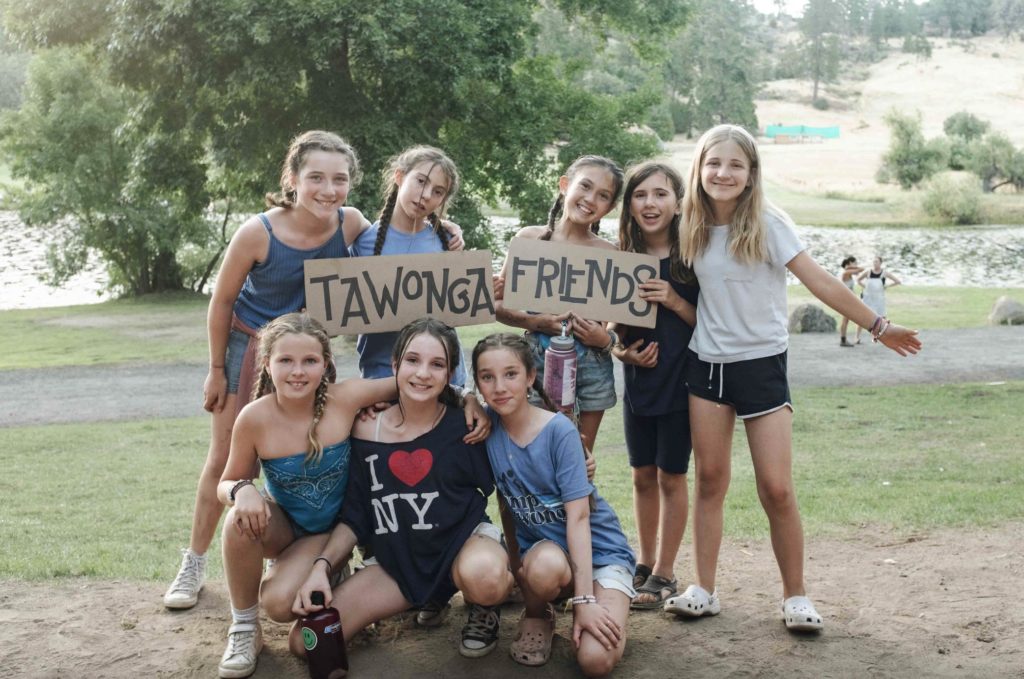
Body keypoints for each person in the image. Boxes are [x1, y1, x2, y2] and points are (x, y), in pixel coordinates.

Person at [164, 131, 467, 610]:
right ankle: (194, 561)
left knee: (319, 446)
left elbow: (403, 239)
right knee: (225, 456)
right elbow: (221, 302)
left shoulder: (351, 224)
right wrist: (216, 368)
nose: (328, 189)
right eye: (316, 178)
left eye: (339, 179)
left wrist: (446, 227)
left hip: (306, 355)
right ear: (292, 179)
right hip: (251, 344)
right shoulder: (258, 232)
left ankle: (318, 552)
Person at [669, 124, 922, 633]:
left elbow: (821, 280)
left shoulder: (768, 221)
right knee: (710, 481)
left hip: (761, 366)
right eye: (714, 163)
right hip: (707, 366)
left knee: (777, 488)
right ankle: (704, 590)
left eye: (735, 164)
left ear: (751, 173)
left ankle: (796, 596)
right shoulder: (689, 222)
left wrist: (878, 326)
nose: (723, 173)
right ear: (698, 168)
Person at [290, 318, 510, 666]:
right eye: (412, 360)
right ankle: (431, 598)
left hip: (460, 550)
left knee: (485, 576)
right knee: (307, 643)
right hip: (398, 564)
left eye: (436, 364)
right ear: (395, 365)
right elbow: (355, 516)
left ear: (450, 373)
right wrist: (322, 566)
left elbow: (515, 478)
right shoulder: (364, 430)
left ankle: (486, 603)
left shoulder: (467, 426)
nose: (423, 373)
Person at [472, 333, 635, 676]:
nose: (499, 387)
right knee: (544, 566)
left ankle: (595, 599)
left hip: (601, 552)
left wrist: (585, 600)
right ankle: (540, 613)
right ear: (478, 383)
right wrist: (465, 400)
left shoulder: (559, 431)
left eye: (511, 374)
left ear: (531, 376)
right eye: (487, 377)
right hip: (548, 558)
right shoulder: (487, 427)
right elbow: (508, 502)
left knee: (595, 661)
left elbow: (579, 518)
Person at [609, 162, 699, 610]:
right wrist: (622, 353)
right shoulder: (621, 260)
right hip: (639, 382)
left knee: (671, 475)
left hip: (682, 382)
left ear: (678, 203)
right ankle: (643, 562)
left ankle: (665, 570)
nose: (650, 203)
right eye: (640, 195)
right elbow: (612, 330)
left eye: (660, 194)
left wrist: (674, 299)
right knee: (641, 473)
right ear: (629, 205)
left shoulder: (694, 257)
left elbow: (714, 323)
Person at [494, 155, 625, 449]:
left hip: (591, 366)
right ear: (565, 185)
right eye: (585, 186)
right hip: (536, 359)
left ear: (610, 208)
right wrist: (535, 321)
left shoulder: (610, 254)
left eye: (603, 195)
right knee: (532, 449)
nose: (590, 199)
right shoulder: (529, 239)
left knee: (580, 454)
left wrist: (604, 338)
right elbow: (497, 305)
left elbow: (614, 325)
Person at [348, 146, 469, 387]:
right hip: (382, 378)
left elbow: (456, 309)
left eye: (438, 192)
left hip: (443, 378)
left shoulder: (447, 241)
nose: (426, 195)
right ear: (400, 176)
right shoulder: (363, 241)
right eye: (421, 181)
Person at [855, 256, 902, 344]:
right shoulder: (868, 272)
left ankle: (882, 336)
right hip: (868, 298)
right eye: (874, 262)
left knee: (882, 317)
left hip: (879, 298)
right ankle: (857, 337)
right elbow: (858, 280)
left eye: (876, 262)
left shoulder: (884, 273)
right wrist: (865, 287)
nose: (875, 263)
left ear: (880, 263)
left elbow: (897, 281)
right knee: (862, 316)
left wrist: (886, 286)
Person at [837, 256, 864, 347]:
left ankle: (844, 339)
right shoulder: (846, 272)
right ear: (850, 263)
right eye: (855, 263)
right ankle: (843, 340)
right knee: (845, 319)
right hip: (846, 299)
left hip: (849, 299)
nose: (856, 265)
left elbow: (859, 271)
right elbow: (861, 270)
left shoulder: (848, 272)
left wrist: (851, 266)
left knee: (846, 319)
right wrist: (851, 267)